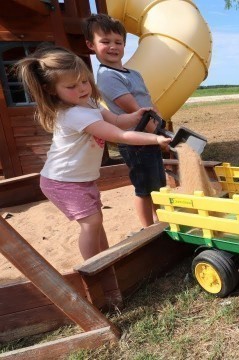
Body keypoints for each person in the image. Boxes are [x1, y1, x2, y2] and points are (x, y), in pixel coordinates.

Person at [14, 45, 171, 308]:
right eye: (72, 86)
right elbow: (119, 136)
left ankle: (106, 259)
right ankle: (94, 271)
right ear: (53, 90)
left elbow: (119, 122)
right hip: (62, 181)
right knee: (92, 222)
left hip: (80, 179)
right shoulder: (74, 114)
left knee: (96, 221)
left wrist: (135, 115)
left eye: (85, 81)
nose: (83, 88)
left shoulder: (87, 103)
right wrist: (155, 138)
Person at [83, 13, 166, 228]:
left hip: (149, 135)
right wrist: (156, 132)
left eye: (118, 42)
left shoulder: (134, 73)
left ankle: (161, 221)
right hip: (134, 140)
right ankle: (148, 227)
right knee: (144, 187)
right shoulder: (108, 76)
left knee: (157, 183)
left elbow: (148, 101)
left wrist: (161, 124)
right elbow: (134, 108)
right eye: (105, 42)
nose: (113, 47)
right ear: (91, 45)